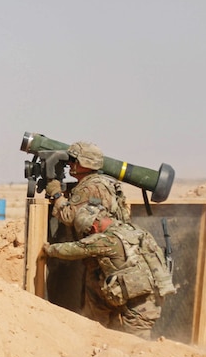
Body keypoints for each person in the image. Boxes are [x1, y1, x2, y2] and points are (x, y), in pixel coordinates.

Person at [42, 204, 175, 339]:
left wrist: (49, 249)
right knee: (122, 337)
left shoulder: (106, 240)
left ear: (93, 227)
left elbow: (74, 249)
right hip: (152, 294)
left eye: (88, 232)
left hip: (141, 305)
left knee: (136, 344)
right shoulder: (134, 230)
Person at [44, 141, 131, 233]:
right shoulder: (99, 182)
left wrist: (56, 194)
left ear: (85, 164)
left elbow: (69, 217)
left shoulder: (90, 188)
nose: (69, 163)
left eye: (73, 160)